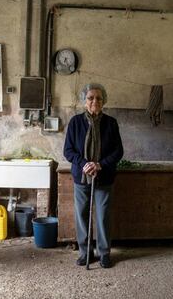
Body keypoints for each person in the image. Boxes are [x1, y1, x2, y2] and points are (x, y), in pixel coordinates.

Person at [64, 83, 123, 268]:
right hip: (82, 179)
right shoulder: (75, 122)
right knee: (82, 216)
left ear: (103, 101)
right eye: (90, 98)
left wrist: (100, 164)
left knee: (103, 215)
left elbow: (118, 151)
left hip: (104, 177)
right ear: (84, 101)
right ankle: (85, 252)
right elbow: (68, 150)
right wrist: (84, 164)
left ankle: (104, 253)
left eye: (98, 98)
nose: (94, 101)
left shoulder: (111, 123)